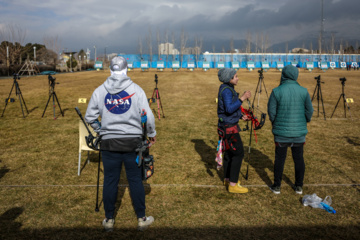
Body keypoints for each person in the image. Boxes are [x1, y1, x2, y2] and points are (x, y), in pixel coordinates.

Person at [85, 56, 156, 232]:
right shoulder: (137, 90)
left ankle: (109, 220)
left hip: (109, 143)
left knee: (110, 180)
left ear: (110, 70)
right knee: (135, 180)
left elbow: (90, 117)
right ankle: (141, 218)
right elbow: (149, 116)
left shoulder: (100, 90)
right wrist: (152, 133)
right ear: (126, 70)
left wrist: (101, 129)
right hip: (133, 143)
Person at [267, 64, 313, 195]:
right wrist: (305, 120)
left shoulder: (276, 91)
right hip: (298, 133)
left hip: (281, 134)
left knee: (280, 159)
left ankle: (277, 186)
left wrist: (276, 123)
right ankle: (299, 186)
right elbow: (309, 110)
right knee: (298, 159)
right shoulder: (303, 91)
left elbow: (271, 112)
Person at [217, 68, 251, 194]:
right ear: (229, 78)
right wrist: (242, 98)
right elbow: (229, 108)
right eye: (235, 76)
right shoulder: (226, 91)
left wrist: (240, 116)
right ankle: (233, 184)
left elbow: (230, 109)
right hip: (229, 128)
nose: (238, 78)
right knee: (238, 154)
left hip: (226, 125)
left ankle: (227, 179)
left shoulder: (227, 88)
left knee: (230, 153)